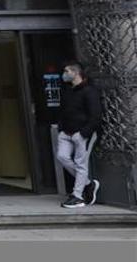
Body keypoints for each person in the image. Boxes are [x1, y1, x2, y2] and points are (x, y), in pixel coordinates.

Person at [57, 61, 103, 208]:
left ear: (75, 73)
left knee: (81, 163)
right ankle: (88, 184)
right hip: (66, 133)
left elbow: (96, 115)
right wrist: (61, 130)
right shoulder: (68, 90)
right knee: (62, 157)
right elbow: (64, 111)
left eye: (66, 71)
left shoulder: (90, 91)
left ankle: (77, 196)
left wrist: (83, 133)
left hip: (83, 133)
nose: (64, 74)